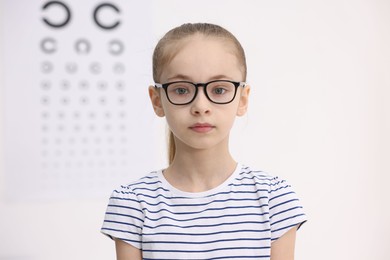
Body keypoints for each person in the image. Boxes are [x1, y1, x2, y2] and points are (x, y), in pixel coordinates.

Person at [101, 22, 307, 260]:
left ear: (242, 99)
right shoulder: (132, 202)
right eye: (181, 90)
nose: (201, 106)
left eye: (219, 90)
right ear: (157, 100)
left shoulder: (274, 199)